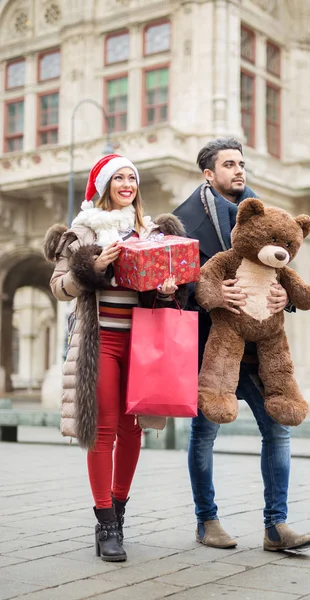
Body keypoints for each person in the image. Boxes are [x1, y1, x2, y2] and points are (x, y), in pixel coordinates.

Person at [174, 138, 310, 552]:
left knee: (277, 430)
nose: (239, 170)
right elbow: (180, 290)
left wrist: (285, 299)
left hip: (260, 352)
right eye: (229, 164)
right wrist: (217, 293)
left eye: (241, 163)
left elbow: (282, 269)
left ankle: (277, 526)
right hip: (212, 350)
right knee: (204, 435)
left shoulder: (265, 213)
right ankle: (207, 521)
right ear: (208, 173)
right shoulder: (184, 221)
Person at [44, 154, 186, 562]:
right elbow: (60, 288)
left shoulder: (154, 230)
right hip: (100, 341)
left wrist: (165, 287)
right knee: (103, 430)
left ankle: (120, 513)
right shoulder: (82, 230)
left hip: (143, 344)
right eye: (118, 178)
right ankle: (105, 524)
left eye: (132, 178)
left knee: (133, 430)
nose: (127, 184)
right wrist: (93, 267)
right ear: (104, 184)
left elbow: (166, 292)